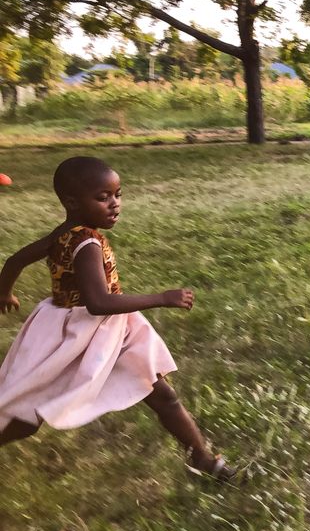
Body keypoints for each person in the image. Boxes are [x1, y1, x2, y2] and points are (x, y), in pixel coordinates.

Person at [0, 156, 235, 480]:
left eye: (117, 194)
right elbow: (98, 303)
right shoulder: (87, 243)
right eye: (103, 197)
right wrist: (161, 298)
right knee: (29, 414)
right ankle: (203, 458)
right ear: (72, 202)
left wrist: (4, 293)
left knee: (161, 394)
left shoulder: (62, 234)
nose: (115, 204)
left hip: (110, 330)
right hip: (81, 335)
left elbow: (15, 261)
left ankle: (203, 459)